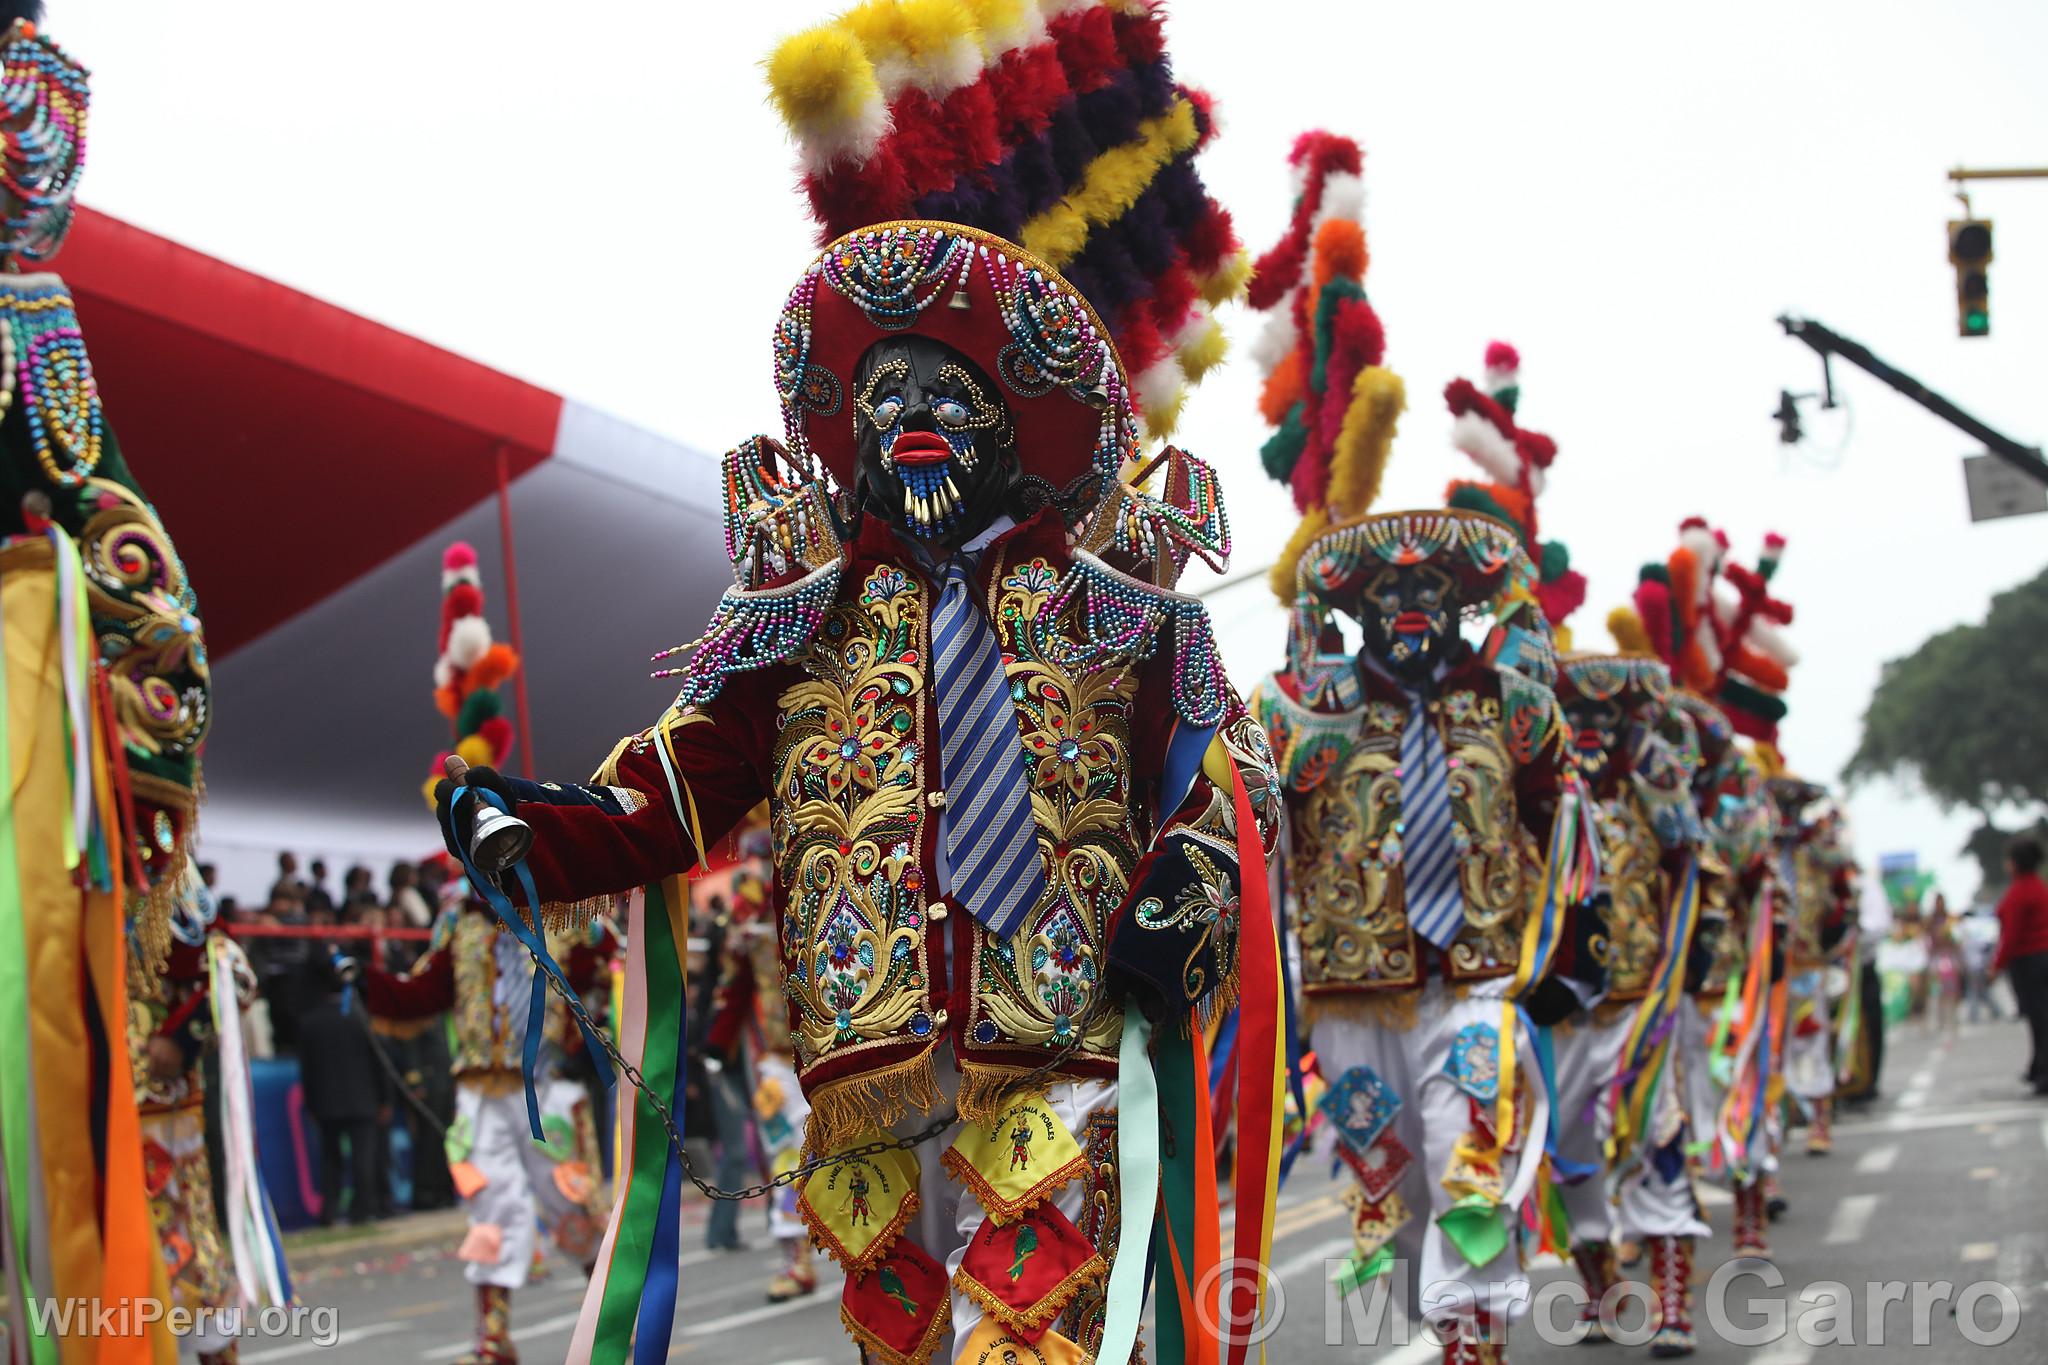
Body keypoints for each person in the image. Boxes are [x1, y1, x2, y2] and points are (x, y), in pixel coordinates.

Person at [435, 219, 1279, 1365]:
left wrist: (1172, 901)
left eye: (942, 393)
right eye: (882, 396)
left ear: (1008, 419)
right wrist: (531, 832)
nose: (907, 418)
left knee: (1029, 1345)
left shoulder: (1116, 607)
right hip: (868, 1068)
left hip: (1059, 1043)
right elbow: (675, 783)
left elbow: (1230, 777)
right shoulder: (798, 618)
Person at [297, 954, 392, 1225]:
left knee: (330, 1159)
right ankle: (363, 1209)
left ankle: (329, 1210)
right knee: (364, 1157)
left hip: (327, 1104)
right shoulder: (361, 1019)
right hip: (363, 1100)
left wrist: (312, 1105)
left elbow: (308, 1071)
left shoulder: (310, 1023)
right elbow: (379, 1062)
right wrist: (385, 1099)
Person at [1992, 836, 2048, 1095]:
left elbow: (2011, 935)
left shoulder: (2018, 892)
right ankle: (2038, 1067)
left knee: (2039, 1019)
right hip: (2041, 959)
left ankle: (2043, 1072)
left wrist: (1996, 965)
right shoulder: (2039, 887)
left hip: (2030, 962)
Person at [390, 858, 434, 929]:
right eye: (413, 873)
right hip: (417, 932)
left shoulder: (396, 893)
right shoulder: (408, 893)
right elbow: (422, 919)